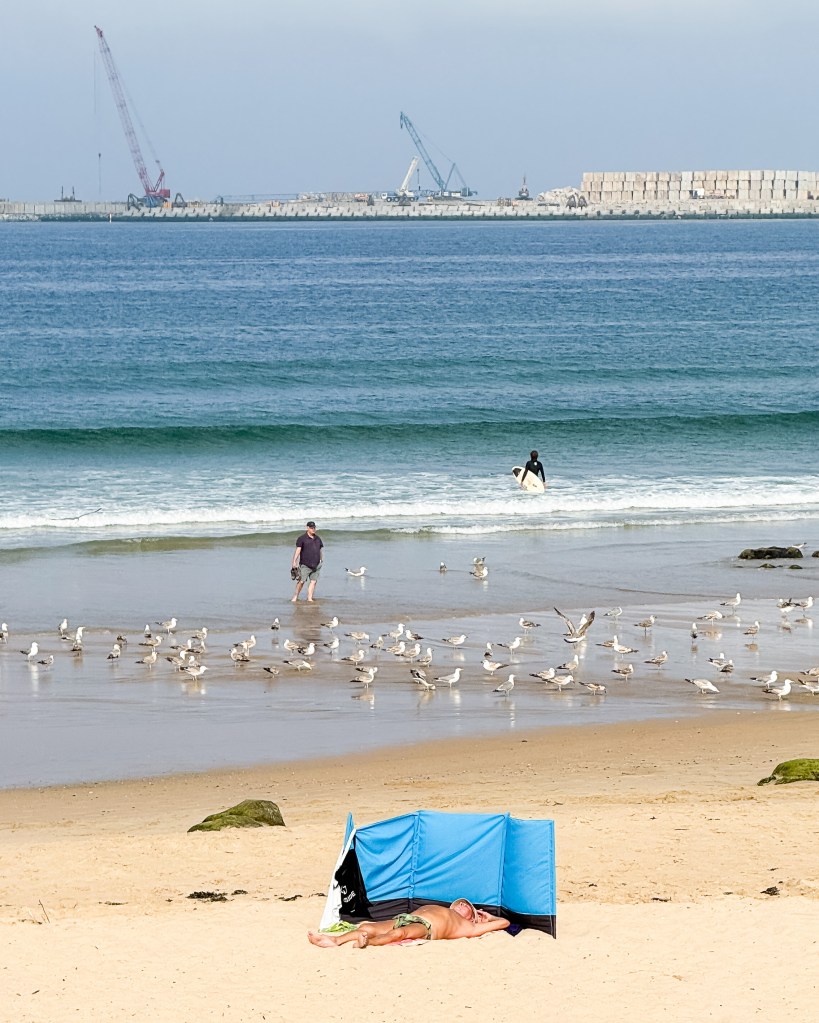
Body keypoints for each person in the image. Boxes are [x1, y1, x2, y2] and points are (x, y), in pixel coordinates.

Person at [307, 898, 509, 948]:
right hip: (406, 917)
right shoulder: (446, 909)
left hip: (427, 927)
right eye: (460, 903)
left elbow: (504, 923)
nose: (461, 905)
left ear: (472, 915)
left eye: (466, 906)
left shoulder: (469, 926)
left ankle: (369, 942)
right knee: (366, 927)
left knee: (399, 935)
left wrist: (488, 918)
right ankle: (335, 940)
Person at [291, 520, 324, 603]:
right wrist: (294, 561)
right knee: (301, 581)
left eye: (314, 527)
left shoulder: (317, 538)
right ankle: (295, 596)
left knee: (313, 581)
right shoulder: (302, 538)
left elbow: (320, 550)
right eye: (311, 528)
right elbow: (298, 550)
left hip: (316, 564)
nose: (313, 529)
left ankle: (309, 598)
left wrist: (321, 560)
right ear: (307, 528)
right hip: (305, 564)